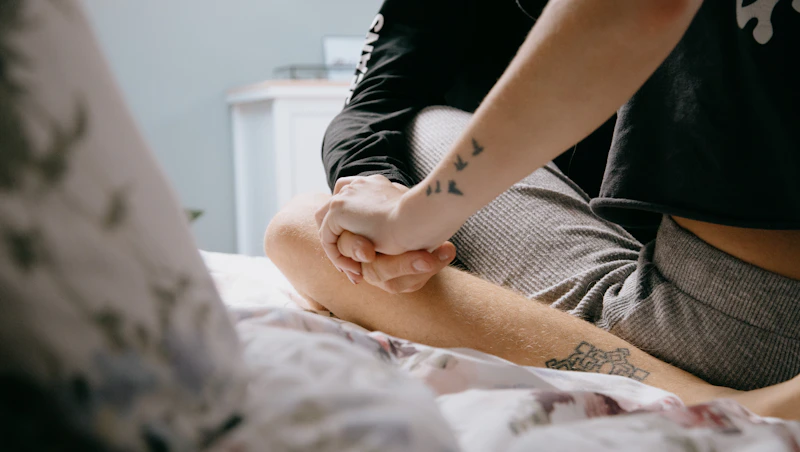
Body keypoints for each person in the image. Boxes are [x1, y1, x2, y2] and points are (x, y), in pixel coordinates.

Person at [266, 0, 800, 417]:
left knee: (299, 228)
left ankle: (695, 395)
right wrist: (382, 187)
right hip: (723, 284)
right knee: (336, 205)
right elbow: (371, 106)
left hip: (743, 334)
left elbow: (632, 12)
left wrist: (413, 217)